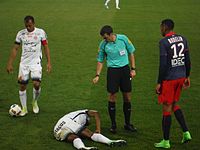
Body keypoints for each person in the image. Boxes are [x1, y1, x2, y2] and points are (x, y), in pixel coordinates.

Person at [154, 19, 192, 149]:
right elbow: (187, 59)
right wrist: (187, 76)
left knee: (166, 108)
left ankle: (166, 141)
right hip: (181, 77)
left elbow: (163, 64)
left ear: (165, 27)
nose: (160, 29)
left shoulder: (164, 42)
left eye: (161, 27)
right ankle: (186, 132)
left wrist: (159, 82)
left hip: (169, 79)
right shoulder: (183, 39)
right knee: (175, 103)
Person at [92, 25, 137, 133]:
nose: (104, 39)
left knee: (127, 96)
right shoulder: (103, 45)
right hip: (112, 72)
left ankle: (127, 123)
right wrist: (97, 75)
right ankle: (113, 125)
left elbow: (131, 53)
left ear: (111, 34)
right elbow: (100, 60)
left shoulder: (123, 38)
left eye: (105, 37)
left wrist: (133, 69)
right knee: (112, 96)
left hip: (125, 71)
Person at [7, 15, 51, 116]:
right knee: (22, 85)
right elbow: (15, 48)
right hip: (24, 64)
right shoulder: (21, 34)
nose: (28, 28)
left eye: (30, 26)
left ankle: (34, 102)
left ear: (33, 24)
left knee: (36, 84)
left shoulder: (40, 32)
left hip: (36, 62)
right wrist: (10, 63)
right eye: (26, 26)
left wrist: (49, 62)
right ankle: (24, 108)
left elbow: (46, 47)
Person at [53, 109, 126, 150]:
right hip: (67, 122)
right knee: (90, 134)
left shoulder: (74, 115)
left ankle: (82, 148)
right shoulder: (84, 113)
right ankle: (110, 142)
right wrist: (98, 129)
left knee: (74, 137)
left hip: (57, 130)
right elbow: (96, 113)